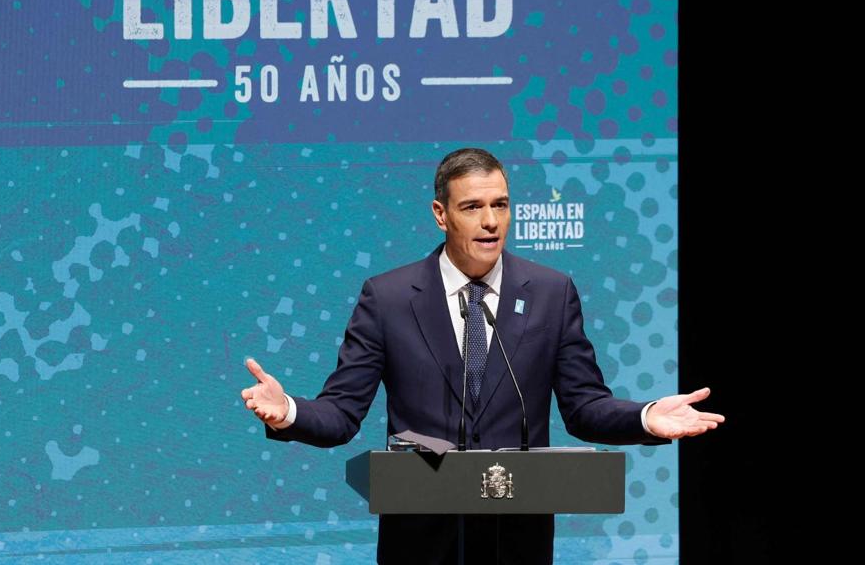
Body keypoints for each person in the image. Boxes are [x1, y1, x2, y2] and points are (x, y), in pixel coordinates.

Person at [241, 147, 722, 564]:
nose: (491, 221)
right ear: (441, 214)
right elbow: (342, 413)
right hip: (420, 542)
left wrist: (645, 416)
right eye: (472, 207)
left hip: (517, 540)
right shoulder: (388, 298)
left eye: (501, 205)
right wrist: (289, 413)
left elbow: (584, 406)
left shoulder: (551, 293)